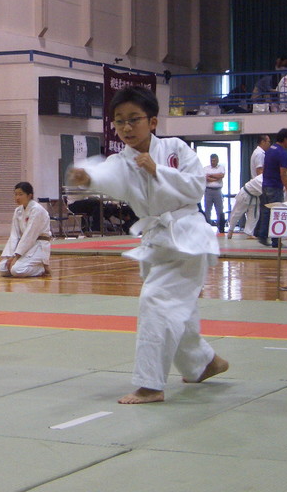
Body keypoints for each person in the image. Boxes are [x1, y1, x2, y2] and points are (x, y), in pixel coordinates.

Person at [68, 85, 227, 404]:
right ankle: (204, 362)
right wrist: (87, 178)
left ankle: (151, 384)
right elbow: (105, 175)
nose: (126, 127)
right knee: (176, 308)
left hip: (188, 236)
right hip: (157, 239)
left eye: (134, 119)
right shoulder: (123, 161)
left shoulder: (175, 148)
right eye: (119, 121)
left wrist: (159, 171)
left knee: (156, 300)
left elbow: (197, 186)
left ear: (152, 122)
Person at [0, 182, 51, 277]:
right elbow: (14, 235)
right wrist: (10, 255)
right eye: (16, 194)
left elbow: (30, 235)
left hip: (38, 245)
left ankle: (41, 268)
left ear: (30, 195)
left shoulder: (37, 209)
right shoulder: (18, 211)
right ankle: (28, 264)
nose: (17, 197)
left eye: (20, 194)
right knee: (2, 269)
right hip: (24, 245)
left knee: (17, 270)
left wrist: (16, 256)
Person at [256, 128, 287, 247]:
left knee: (266, 212)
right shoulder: (282, 153)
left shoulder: (269, 150)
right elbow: (283, 174)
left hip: (265, 185)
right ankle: (276, 241)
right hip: (275, 186)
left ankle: (262, 235)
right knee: (277, 213)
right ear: (286, 140)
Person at [226, 174, 262, 239]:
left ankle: (249, 233)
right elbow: (266, 190)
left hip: (255, 196)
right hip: (245, 194)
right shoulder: (259, 180)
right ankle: (231, 229)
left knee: (255, 215)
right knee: (237, 213)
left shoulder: (268, 179)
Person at [203, 154, 225, 233]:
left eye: (214, 160)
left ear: (217, 160)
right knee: (207, 210)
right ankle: (207, 227)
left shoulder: (221, 167)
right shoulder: (206, 168)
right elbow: (206, 178)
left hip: (217, 191)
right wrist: (215, 178)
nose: (212, 162)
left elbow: (221, 176)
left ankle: (221, 228)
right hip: (208, 190)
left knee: (219, 210)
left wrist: (211, 175)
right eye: (211, 160)